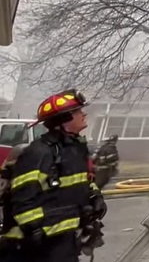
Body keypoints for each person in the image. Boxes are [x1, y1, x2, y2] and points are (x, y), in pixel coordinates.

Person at [2, 90, 106, 261]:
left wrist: (95, 195)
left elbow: (81, 180)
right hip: (35, 246)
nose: (83, 114)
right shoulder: (39, 152)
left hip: (64, 240)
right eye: (78, 111)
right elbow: (22, 198)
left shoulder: (75, 149)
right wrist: (34, 230)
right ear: (64, 119)